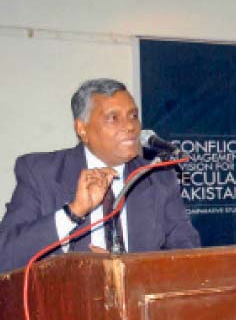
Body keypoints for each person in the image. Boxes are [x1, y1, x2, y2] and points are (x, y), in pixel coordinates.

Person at [0, 78, 200, 273]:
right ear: (82, 129)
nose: (130, 127)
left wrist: (126, 269)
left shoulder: (158, 179)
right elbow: (5, 256)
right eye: (113, 118)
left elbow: (189, 259)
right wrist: (73, 212)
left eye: (133, 116)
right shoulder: (40, 173)